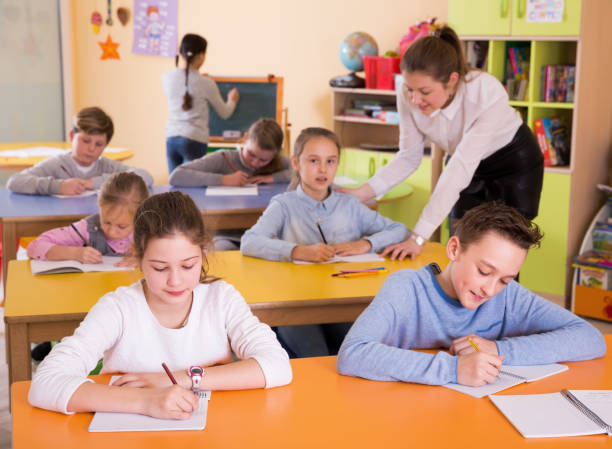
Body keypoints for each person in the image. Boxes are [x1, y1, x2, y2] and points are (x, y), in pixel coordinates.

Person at [28, 191, 292, 419]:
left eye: (188, 265)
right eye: (160, 267)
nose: (175, 280)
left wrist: (183, 377)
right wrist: (148, 402)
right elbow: (45, 383)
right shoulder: (118, 308)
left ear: (204, 253)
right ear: (138, 258)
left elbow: (278, 365)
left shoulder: (221, 299)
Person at [336, 203, 606, 387]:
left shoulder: (508, 297)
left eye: (505, 279)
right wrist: (453, 370)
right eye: (484, 271)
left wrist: (499, 349)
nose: (490, 289)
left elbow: (591, 338)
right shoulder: (406, 289)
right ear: (454, 249)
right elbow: (352, 354)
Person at [341, 26, 544, 261]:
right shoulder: (408, 94)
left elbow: (459, 168)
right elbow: (408, 157)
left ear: (452, 80)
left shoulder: (485, 93)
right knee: (461, 247)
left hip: (513, 165)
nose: (415, 99)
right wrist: (362, 193)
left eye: (425, 91)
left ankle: (502, 298)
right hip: (465, 161)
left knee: (502, 252)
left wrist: (417, 238)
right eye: (410, 90)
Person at [241, 127, 407, 357]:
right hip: (297, 305)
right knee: (315, 353)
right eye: (313, 160)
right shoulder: (284, 204)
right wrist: (296, 251)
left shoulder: (349, 205)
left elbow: (399, 230)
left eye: (330, 161)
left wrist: (366, 244)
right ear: (296, 163)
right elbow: (248, 241)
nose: (322, 169)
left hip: (342, 302)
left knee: (358, 348)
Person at [170, 117, 293, 250]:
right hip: (227, 234)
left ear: (274, 154)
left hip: (265, 234)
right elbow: (176, 176)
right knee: (221, 251)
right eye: (251, 154)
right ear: (245, 138)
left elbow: (300, 172)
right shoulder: (223, 158)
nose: (255, 163)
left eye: (263, 160)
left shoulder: (278, 162)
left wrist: (273, 177)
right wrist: (223, 180)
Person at [7, 107, 154, 195]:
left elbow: (146, 177)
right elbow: (15, 182)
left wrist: (96, 182)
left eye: (99, 144)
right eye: (85, 141)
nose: (91, 149)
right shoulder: (57, 164)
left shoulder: (106, 166)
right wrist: (58, 186)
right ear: (72, 136)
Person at [27, 171, 149, 265]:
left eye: (121, 226)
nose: (111, 232)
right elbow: (35, 247)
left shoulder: (149, 230)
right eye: (106, 222)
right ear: (100, 207)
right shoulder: (88, 228)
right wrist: (75, 253)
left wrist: (144, 260)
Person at [163, 33, 239, 173]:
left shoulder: (167, 78)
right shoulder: (206, 83)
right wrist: (232, 100)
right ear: (202, 56)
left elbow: (187, 86)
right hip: (194, 139)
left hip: (171, 138)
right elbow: (225, 113)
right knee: (193, 187)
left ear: (181, 53)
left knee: (174, 184)